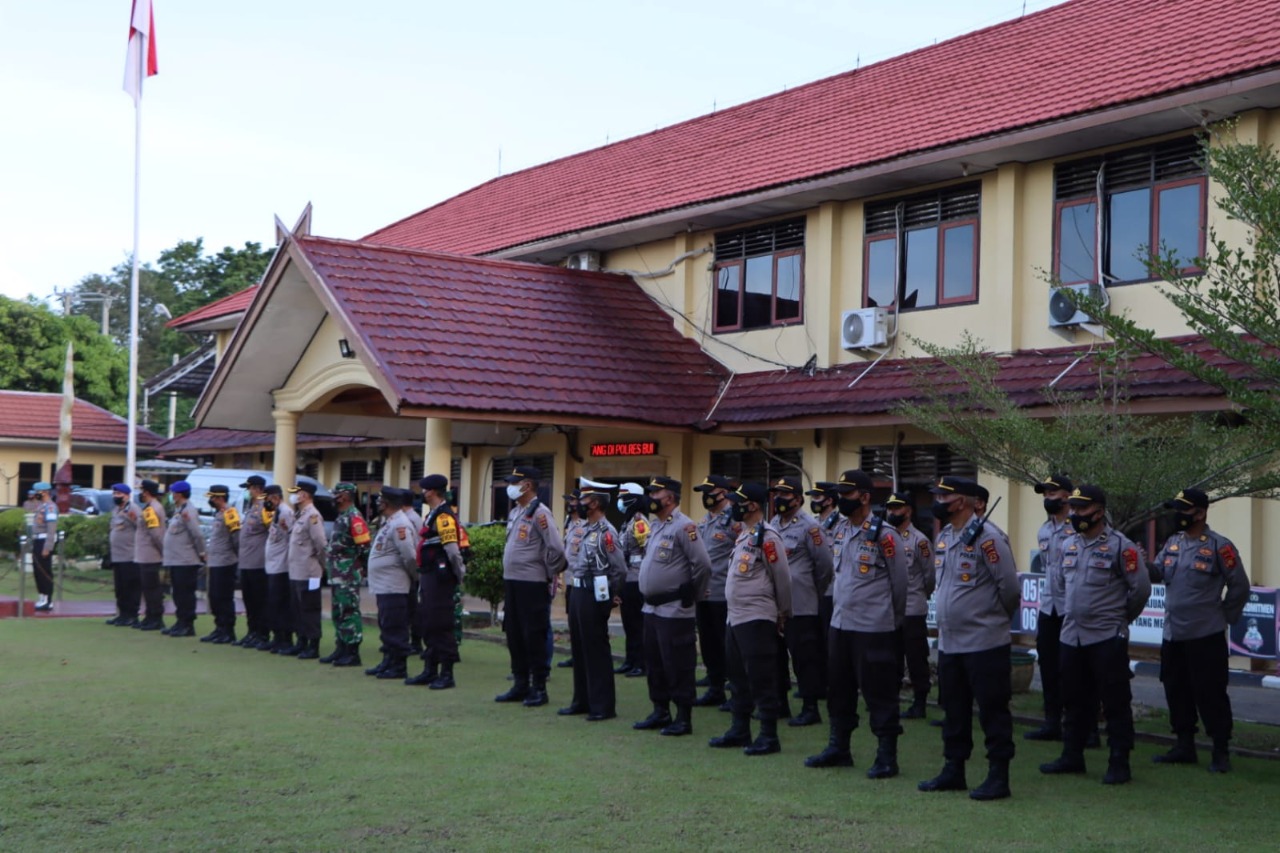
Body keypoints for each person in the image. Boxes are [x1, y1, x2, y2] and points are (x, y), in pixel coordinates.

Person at [1040, 484, 1151, 785]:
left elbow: (1140, 589)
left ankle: (1119, 762)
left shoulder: (1120, 546)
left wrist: (1119, 618)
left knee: (1114, 701)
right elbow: (1059, 584)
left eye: (1082, 508)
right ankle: (1072, 756)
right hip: (1071, 635)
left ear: (1100, 511)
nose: (1075, 514)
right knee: (1073, 699)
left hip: (1105, 636)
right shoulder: (1068, 544)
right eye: (1073, 509)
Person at [918, 476, 1019, 801]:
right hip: (951, 643)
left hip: (985, 642)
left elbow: (1010, 590)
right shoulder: (946, 536)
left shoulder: (989, 538)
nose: (937, 501)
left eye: (943, 497)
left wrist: (988, 619)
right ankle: (953, 769)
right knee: (954, 710)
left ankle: (998, 776)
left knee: (993, 711)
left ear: (961, 501)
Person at [805, 470, 907, 777]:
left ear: (864, 497)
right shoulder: (839, 530)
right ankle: (839, 747)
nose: (839, 500)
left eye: (847, 494)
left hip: (873, 628)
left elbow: (899, 585)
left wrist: (892, 621)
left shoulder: (885, 535)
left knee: (880, 692)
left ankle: (886, 756)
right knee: (838, 689)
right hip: (841, 624)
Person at [1149, 488, 1250, 773]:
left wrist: (1225, 615)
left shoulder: (1220, 546)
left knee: (1211, 693)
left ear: (1200, 513)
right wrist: (1140, 564)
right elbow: (1157, 572)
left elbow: (1240, 585)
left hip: (1205, 634)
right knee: (1175, 689)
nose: (1177, 515)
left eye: (1184, 509)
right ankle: (1184, 746)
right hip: (1173, 634)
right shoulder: (1172, 543)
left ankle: (1220, 750)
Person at [706, 482, 793, 756]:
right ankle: (739, 729)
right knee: (737, 678)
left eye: (737, 502)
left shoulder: (767, 537)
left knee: (761, 677)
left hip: (757, 618)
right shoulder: (745, 535)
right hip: (736, 618)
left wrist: (782, 613)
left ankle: (768, 736)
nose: (732, 507)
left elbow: (783, 579)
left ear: (753, 505)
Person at [633, 476, 712, 737]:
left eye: (656, 493)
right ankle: (660, 710)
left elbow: (702, 564)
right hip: (652, 609)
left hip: (675, 609)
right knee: (654, 663)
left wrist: (693, 594)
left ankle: (683, 717)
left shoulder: (684, 526)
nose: (651, 497)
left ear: (669, 498)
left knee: (678, 663)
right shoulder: (655, 526)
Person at [494, 465, 566, 708]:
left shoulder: (540, 513)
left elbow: (556, 548)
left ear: (527, 485)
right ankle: (520, 683)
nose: (510, 487)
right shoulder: (517, 512)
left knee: (532, 635)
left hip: (532, 584)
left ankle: (539, 688)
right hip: (513, 582)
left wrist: (548, 573)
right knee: (513, 633)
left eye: (515, 482)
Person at [559, 483, 627, 721]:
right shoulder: (583, 528)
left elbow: (619, 569)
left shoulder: (607, 532)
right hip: (578, 592)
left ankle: (602, 706)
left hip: (594, 594)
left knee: (596, 650)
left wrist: (609, 596)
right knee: (579, 648)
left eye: (584, 499)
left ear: (595, 503)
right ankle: (581, 700)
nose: (578, 502)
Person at [769, 475, 833, 727]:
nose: (779, 499)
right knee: (775, 656)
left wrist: (812, 591)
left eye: (784, 495)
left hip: (802, 604)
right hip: (774, 604)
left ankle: (810, 708)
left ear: (797, 498)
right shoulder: (773, 523)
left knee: (805, 658)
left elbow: (825, 566)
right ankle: (780, 703)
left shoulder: (810, 527)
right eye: (777, 494)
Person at [1025, 474, 1075, 741]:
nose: (1047, 498)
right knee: (1048, 664)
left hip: (1072, 608)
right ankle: (1052, 722)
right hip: (1049, 607)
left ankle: (1082, 726)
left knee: (1075, 669)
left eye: (1052, 493)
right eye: (1044, 494)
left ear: (1067, 496)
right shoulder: (1044, 530)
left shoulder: (1078, 526)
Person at [408, 475, 468, 689]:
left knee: (440, 624)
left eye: (425, 490)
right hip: (429, 576)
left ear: (432, 492)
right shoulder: (433, 514)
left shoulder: (444, 517)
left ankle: (447, 673)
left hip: (440, 579)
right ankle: (430, 669)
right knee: (428, 621)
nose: (423, 493)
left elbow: (452, 550)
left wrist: (459, 574)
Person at [885, 491, 935, 721]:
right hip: (890, 608)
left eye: (897, 508)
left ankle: (920, 702)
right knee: (890, 657)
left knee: (916, 658)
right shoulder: (885, 537)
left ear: (909, 510)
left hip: (913, 608)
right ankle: (890, 700)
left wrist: (919, 596)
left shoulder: (920, 541)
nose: (892, 512)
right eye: (890, 508)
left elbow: (929, 577)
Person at [691, 474, 738, 708]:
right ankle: (715, 688)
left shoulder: (734, 520)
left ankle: (737, 692)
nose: (705, 497)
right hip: (704, 593)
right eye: (703, 492)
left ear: (722, 492)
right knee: (708, 644)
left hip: (723, 594)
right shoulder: (704, 521)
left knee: (727, 646)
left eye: (708, 492)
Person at [365, 487, 420, 681]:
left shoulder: (400, 524)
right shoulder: (390, 522)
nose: (377, 503)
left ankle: (398, 666)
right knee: (387, 625)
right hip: (385, 585)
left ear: (387, 503)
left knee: (395, 627)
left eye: (380, 500)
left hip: (394, 585)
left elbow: (410, 556)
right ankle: (388, 660)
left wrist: (414, 578)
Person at [320, 483, 370, 667]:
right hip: (337, 574)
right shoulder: (342, 517)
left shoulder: (354, 517)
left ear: (346, 496)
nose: (334, 498)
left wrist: (359, 568)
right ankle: (341, 647)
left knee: (349, 611)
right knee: (338, 611)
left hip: (348, 573)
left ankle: (352, 652)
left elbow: (364, 546)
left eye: (337, 494)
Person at [286, 481, 329, 659]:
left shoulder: (313, 516)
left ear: (304, 495)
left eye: (297, 493)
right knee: (297, 608)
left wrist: (322, 565)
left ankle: (313, 645)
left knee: (310, 608)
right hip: (297, 571)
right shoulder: (301, 515)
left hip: (310, 572)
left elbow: (320, 543)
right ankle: (301, 641)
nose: (294, 497)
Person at [161, 481, 205, 638]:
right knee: (178, 593)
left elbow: (197, 534)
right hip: (176, 560)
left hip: (186, 560)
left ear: (178, 494)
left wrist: (201, 552)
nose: (171, 496)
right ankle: (180, 622)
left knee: (185, 594)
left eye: (172, 493)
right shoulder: (179, 510)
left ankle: (187, 624)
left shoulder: (188, 511)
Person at [615, 482, 650, 678]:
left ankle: (641, 663)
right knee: (628, 623)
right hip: (627, 578)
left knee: (637, 624)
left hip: (636, 578)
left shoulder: (639, 522)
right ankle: (630, 660)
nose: (620, 501)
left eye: (623, 497)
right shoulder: (627, 522)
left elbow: (647, 549)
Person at [201, 485, 241, 644]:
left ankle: (228, 631)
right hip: (216, 562)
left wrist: (236, 556)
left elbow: (236, 538)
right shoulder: (219, 514)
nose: (210, 500)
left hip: (226, 562)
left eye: (212, 497)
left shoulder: (230, 513)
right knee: (215, 597)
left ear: (220, 497)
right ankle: (219, 628)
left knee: (224, 597)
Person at [235, 476, 271, 649]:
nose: (247, 492)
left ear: (257, 488)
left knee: (259, 601)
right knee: (249, 600)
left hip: (258, 562)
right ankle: (252, 632)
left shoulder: (266, 507)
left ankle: (262, 634)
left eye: (249, 488)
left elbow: (272, 532)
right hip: (246, 562)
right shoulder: (252, 507)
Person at [262, 485, 296, 653]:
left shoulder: (286, 512)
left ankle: (285, 639)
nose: (266, 502)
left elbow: (292, 538)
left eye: (267, 498)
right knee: (273, 604)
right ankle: (277, 637)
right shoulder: (277, 513)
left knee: (281, 604)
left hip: (282, 566)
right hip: (273, 565)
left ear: (275, 497)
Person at [133, 480, 168, 632]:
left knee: (152, 588)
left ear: (146, 492)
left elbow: (156, 534)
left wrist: (163, 551)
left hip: (150, 554)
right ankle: (149, 616)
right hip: (147, 553)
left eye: (142, 491)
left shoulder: (151, 509)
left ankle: (156, 618)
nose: (141, 494)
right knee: (148, 588)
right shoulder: (150, 508)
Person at [558, 488, 585, 669]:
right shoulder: (569, 523)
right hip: (569, 579)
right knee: (572, 621)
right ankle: (575, 655)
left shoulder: (584, 525)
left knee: (581, 621)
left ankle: (582, 657)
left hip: (580, 579)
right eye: (569, 501)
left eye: (573, 501)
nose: (570, 504)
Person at [106, 484, 140, 627]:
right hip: (117, 555)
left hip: (130, 555)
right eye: (114, 494)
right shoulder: (116, 510)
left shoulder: (133, 510)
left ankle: (132, 615)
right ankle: (122, 614)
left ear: (127, 495)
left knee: (130, 588)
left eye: (119, 494)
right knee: (120, 588)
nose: (116, 496)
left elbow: (142, 529)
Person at [30, 482, 58, 612]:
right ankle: (42, 597)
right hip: (37, 540)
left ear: (45, 492)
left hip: (44, 541)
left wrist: (48, 546)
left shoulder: (50, 507)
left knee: (45, 571)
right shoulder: (41, 506)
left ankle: (48, 599)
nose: (36, 494)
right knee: (37, 571)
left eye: (38, 492)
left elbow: (51, 529)